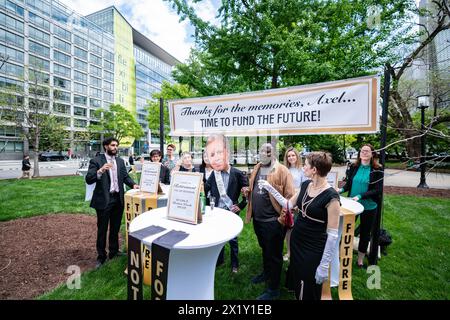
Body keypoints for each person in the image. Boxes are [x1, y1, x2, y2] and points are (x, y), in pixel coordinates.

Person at [264, 151, 341, 300]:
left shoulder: (332, 197)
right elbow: (288, 204)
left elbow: (332, 235)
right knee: (299, 279)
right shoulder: (306, 185)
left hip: (314, 247)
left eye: (306, 165)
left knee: (310, 285)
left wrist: (324, 266)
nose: (303, 168)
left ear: (314, 170)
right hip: (297, 241)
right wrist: (270, 188)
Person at [242, 143, 295, 300]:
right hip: (258, 220)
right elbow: (255, 189)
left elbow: (290, 197)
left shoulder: (282, 170)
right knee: (265, 249)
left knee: (275, 255)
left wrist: (280, 219)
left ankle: (274, 289)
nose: (264, 154)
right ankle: (266, 274)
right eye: (261, 151)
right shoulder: (258, 167)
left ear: (273, 154)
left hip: (273, 222)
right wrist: (248, 192)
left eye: (267, 151)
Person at [85, 137, 140, 269]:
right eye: (113, 145)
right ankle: (101, 257)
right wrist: (100, 170)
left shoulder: (120, 161)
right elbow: (89, 179)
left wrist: (133, 185)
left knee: (115, 228)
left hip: (118, 199)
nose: (115, 148)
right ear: (106, 146)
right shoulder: (96, 161)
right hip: (104, 200)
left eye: (117, 146)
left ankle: (114, 252)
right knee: (102, 229)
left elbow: (125, 176)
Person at [204, 134, 248, 274]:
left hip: (231, 211)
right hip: (217, 210)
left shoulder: (238, 173)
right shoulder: (214, 173)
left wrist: (240, 205)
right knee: (218, 236)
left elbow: (247, 194)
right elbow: (206, 189)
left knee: (233, 239)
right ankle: (219, 260)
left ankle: (235, 264)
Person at [337, 144, 383, 268]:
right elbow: (348, 185)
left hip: (369, 206)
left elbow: (377, 190)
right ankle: (342, 255)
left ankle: (360, 260)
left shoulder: (378, 170)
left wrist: (360, 196)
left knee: (365, 233)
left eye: (367, 151)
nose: (364, 153)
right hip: (352, 205)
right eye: (362, 151)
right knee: (347, 230)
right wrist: (339, 190)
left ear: (372, 154)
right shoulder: (354, 166)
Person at [282, 147, 308, 261]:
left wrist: (297, 203)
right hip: (285, 201)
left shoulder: (302, 170)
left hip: (297, 202)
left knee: (297, 228)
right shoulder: (283, 170)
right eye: (289, 156)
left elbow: (305, 187)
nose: (291, 157)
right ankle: (289, 252)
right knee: (288, 228)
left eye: (293, 155)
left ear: (297, 156)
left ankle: (299, 251)